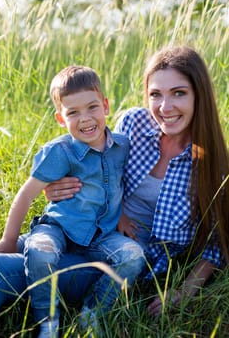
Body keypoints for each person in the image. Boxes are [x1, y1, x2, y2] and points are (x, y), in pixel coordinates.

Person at [44, 45, 229, 315]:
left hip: (127, 262)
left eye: (179, 93)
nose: (165, 107)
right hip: (87, 224)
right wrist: (56, 183)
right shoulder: (135, 123)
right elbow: (94, 163)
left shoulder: (215, 165)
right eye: (156, 94)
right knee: (32, 253)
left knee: (20, 274)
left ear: (198, 95)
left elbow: (217, 244)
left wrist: (185, 290)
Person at [0, 65, 145, 337]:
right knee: (40, 250)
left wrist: (121, 214)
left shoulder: (122, 146)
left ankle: (92, 312)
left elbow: (117, 185)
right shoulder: (60, 152)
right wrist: (8, 240)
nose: (85, 119)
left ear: (106, 105)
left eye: (92, 107)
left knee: (133, 256)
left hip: (102, 234)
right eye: (73, 112)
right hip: (58, 227)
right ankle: (48, 321)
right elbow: (26, 194)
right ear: (60, 119)